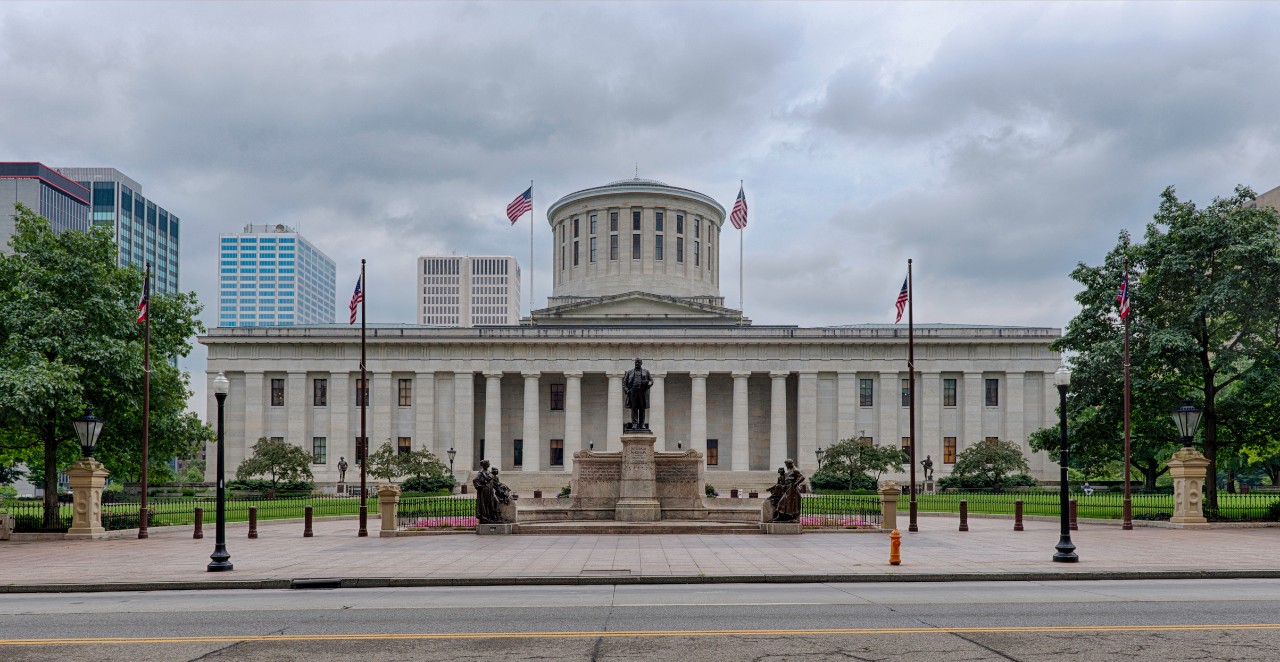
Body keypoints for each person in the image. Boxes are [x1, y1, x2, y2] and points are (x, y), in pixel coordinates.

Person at [623, 358, 653, 431]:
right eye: (636, 362)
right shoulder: (629, 372)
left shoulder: (646, 372)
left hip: (642, 392)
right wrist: (627, 391)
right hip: (633, 392)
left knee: (642, 408)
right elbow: (624, 383)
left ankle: (642, 424)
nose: (637, 363)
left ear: (641, 363)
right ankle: (634, 424)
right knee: (634, 408)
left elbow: (651, 381)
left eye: (638, 362)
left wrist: (648, 383)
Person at [473, 459, 504, 524]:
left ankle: (493, 516)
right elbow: (475, 480)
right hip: (485, 490)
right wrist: (480, 486)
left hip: (491, 490)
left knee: (493, 501)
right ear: (485, 464)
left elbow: (494, 481)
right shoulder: (481, 473)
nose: (489, 464)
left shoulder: (489, 472)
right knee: (486, 503)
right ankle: (486, 517)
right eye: (488, 463)